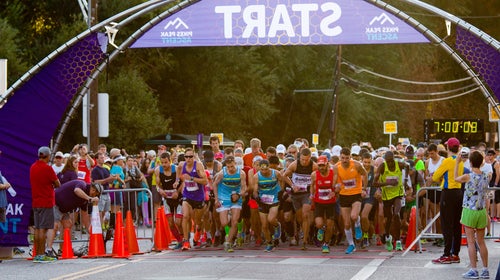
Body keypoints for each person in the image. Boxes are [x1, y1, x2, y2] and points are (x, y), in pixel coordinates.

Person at [454, 150, 490, 279]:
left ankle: (474, 270)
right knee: (481, 241)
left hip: (469, 210)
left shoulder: (468, 176)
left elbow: (455, 178)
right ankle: (485, 269)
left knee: (470, 241)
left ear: (470, 162)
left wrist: (457, 163)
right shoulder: (486, 176)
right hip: (481, 211)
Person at [432, 137, 464, 264]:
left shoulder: (447, 161)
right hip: (458, 192)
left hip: (448, 193)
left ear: (448, 148)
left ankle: (446, 254)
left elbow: (435, 176)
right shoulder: (461, 161)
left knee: (447, 225)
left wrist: (441, 180)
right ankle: (455, 253)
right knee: (457, 225)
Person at [30, 146, 61, 263]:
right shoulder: (48, 169)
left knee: (37, 228)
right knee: (43, 228)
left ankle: (37, 254)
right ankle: (42, 254)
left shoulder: (33, 167)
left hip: (36, 201)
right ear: (48, 156)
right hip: (46, 201)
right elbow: (58, 183)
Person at [373, 150, 409, 252]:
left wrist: (405, 179)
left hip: (398, 193)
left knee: (396, 215)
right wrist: (387, 183)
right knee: (388, 218)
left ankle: (398, 241)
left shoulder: (399, 164)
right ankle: (388, 237)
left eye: (391, 161)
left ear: (393, 159)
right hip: (387, 195)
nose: (389, 163)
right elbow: (374, 183)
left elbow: (407, 166)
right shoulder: (382, 167)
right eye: (387, 161)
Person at [335, 147, 367, 254]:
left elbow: (365, 174)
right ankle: (351, 244)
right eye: (342, 158)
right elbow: (334, 181)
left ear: (350, 158)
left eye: (347, 158)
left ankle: (358, 225)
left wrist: (363, 188)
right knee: (347, 224)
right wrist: (336, 187)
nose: (344, 160)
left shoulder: (357, 165)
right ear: (340, 157)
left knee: (354, 216)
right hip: (344, 195)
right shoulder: (336, 167)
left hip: (356, 194)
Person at [212, 156, 247, 252]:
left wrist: (239, 194)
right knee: (224, 223)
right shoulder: (222, 173)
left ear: (235, 164)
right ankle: (230, 216)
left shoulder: (241, 173)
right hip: (224, 196)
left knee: (235, 222)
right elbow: (214, 184)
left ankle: (228, 242)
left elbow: (244, 188)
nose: (230, 169)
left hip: (236, 197)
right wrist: (216, 199)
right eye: (228, 167)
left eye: (232, 166)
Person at [176, 148, 208, 250]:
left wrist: (191, 178)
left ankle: (198, 231)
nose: (188, 159)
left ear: (194, 157)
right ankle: (186, 241)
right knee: (185, 216)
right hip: (187, 195)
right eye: (186, 156)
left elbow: (205, 181)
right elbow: (178, 172)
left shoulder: (198, 166)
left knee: (198, 221)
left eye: (190, 156)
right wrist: (177, 181)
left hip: (198, 197)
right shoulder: (182, 165)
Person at [253, 159, 284, 252]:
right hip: (263, 200)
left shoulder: (276, 173)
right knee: (264, 225)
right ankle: (269, 243)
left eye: (266, 169)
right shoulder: (256, 176)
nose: (264, 172)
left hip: (274, 198)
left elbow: (282, 181)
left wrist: (281, 191)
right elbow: (254, 190)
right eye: (262, 170)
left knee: (271, 219)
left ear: (269, 167)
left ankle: (276, 225)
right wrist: (256, 197)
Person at [310, 155, 337, 253]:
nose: (321, 167)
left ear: (327, 165)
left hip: (330, 203)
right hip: (319, 202)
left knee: (330, 225)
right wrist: (311, 195)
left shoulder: (333, 174)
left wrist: (335, 192)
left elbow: (337, 186)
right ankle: (322, 228)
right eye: (319, 165)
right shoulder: (314, 174)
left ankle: (326, 244)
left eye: (323, 165)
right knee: (319, 223)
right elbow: (312, 186)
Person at [155, 152, 183, 246]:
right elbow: (157, 186)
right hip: (167, 198)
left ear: (169, 160)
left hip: (178, 198)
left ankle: (185, 238)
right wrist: (160, 190)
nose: (164, 165)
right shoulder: (158, 170)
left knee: (178, 222)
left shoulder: (176, 169)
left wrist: (178, 192)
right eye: (162, 162)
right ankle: (179, 240)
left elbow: (183, 182)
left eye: (166, 162)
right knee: (171, 223)